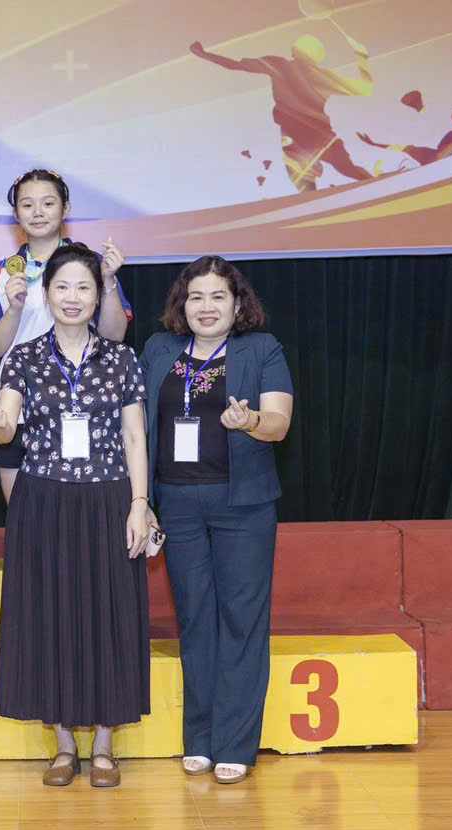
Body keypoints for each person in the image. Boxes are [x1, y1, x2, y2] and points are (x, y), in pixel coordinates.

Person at [0, 243, 149, 788]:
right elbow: (7, 427)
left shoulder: (122, 359)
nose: (72, 297)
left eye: (83, 287)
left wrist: (140, 505)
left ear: (98, 295)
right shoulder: (23, 358)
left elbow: (134, 436)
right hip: (43, 499)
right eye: (62, 287)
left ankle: (103, 745)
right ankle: (62, 745)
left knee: (108, 615)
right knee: (47, 615)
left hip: (109, 498)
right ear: (45, 294)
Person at [138, 256, 293, 784]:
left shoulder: (261, 349)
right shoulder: (160, 349)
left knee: (241, 621)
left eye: (218, 297)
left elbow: (279, 423)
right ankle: (200, 739)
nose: (206, 307)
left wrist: (250, 421)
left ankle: (236, 744)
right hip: (176, 503)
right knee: (196, 619)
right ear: (182, 304)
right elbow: (138, 427)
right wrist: (143, 499)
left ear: (237, 303)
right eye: (196, 297)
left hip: (242, 505)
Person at [0, 169, 132, 502]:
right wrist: (14, 308)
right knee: (25, 514)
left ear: (66, 209)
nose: (38, 212)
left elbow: (114, 335)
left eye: (48, 203)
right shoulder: (3, 271)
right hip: (18, 409)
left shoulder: (92, 265)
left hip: (84, 403)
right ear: (16, 213)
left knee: (84, 515)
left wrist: (107, 280)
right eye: (27, 204)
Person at [189, 32, 374, 192]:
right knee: (344, 169)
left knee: (306, 177)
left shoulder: (279, 65)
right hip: (317, 134)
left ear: (295, 51)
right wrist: (362, 59)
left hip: (298, 134)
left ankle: (317, 197)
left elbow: (235, 65)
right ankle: (367, 183)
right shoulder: (324, 76)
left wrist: (204, 54)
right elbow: (365, 89)